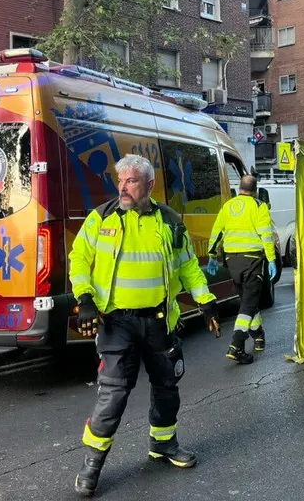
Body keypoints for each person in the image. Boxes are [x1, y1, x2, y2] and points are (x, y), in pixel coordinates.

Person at [68, 154, 222, 497]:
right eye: (119, 181)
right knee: (114, 394)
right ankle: (92, 464)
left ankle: (163, 444)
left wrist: (206, 302)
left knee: (167, 386)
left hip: (158, 320)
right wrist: (86, 297)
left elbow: (187, 267)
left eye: (131, 181)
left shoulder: (169, 220)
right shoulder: (101, 218)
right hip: (116, 321)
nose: (122, 187)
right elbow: (78, 258)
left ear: (149, 185)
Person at [207, 175, 276, 364]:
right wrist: (271, 259)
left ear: (239, 188)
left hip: (232, 261)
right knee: (248, 304)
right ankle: (236, 345)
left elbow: (217, 231)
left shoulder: (227, 206)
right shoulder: (259, 205)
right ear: (255, 190)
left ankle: (259, 336)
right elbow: (266, 235)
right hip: (253, 260)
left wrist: (212, 255)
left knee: (248, 302)